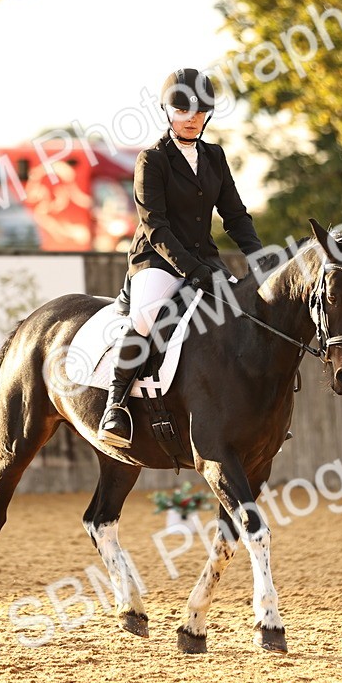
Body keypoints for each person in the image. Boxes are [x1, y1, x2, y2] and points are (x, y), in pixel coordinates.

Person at [97, 68, 264, 447]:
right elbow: (155, 226)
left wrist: (259, 258)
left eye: (199, 112)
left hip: (205, 258)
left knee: (245, 312)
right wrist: (193, 271)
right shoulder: (151, 160)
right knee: (147, 315)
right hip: (156, 259)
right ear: (167, 112)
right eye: (183, 110)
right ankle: (115, 405)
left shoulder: (215, 156)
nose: (191, 118)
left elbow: (235, 216)